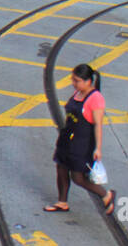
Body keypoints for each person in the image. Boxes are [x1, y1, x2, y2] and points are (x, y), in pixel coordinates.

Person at [44, 62, 115, 215]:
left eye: (77, 81)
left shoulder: (95, 98)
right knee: (61, 167)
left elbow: (98, 125)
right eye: (73, 80)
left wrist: (98, 148)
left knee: (78, 177)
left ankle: (106, 194)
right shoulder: (78, 93)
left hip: (82, 144)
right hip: (67, 139)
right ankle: (62, 202)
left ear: (88, 81)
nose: (73, 83)